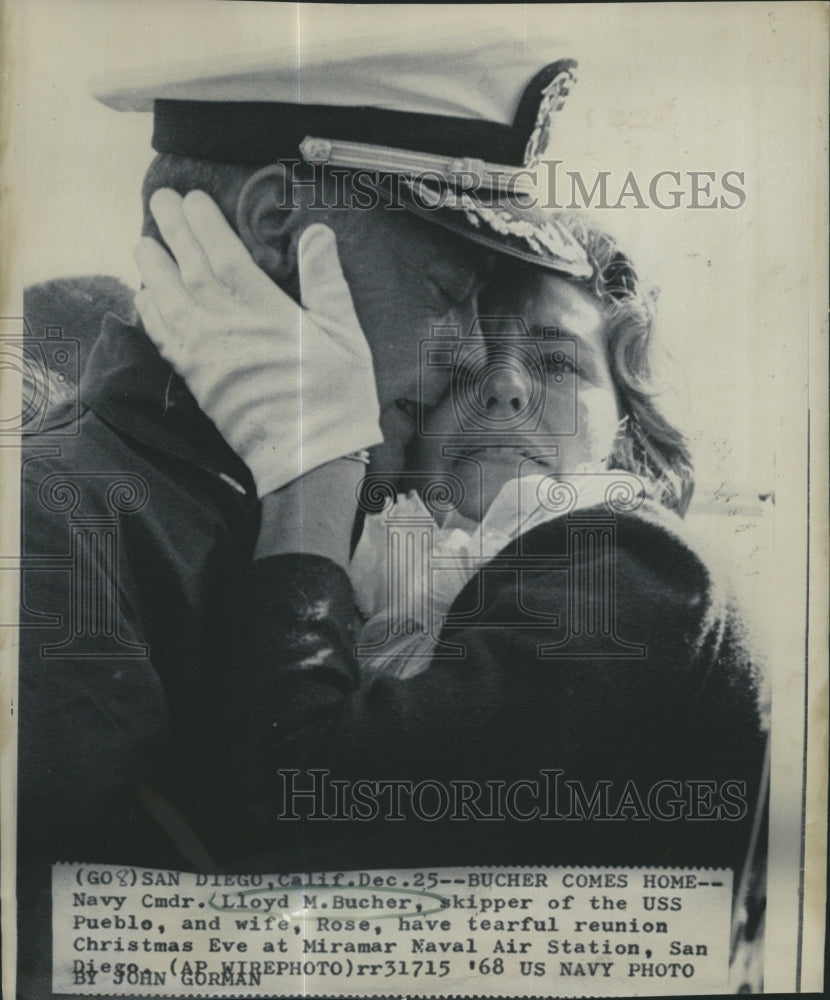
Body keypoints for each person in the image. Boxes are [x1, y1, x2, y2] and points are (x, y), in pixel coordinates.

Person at [16, 33, 595, 995]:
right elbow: (86, 956)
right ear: (278, 223)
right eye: (444, 290)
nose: (469, 353)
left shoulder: (372, 509)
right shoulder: (46, 521)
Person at [135, 196, 769, 891]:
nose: (502, 387)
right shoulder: (362, 571)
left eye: (556, 363)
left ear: (625, 430)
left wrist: (312, 463)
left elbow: (284, 800)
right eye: (463, 369)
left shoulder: (645, 571)